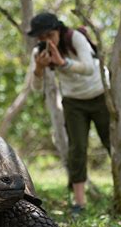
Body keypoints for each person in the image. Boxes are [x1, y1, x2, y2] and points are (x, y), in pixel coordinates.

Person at [27, 12, 111, 214]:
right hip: (74, 101)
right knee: (77, 148)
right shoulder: (39, 52)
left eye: (49, 35)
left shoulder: (75, 38)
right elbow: (36, 87)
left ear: (58, 30)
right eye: (41, 38)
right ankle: (79, 203)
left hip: (101, 94)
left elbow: (90, 68)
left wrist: (63, 62)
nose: (46, 41)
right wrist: (39, 68)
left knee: (113, 143)